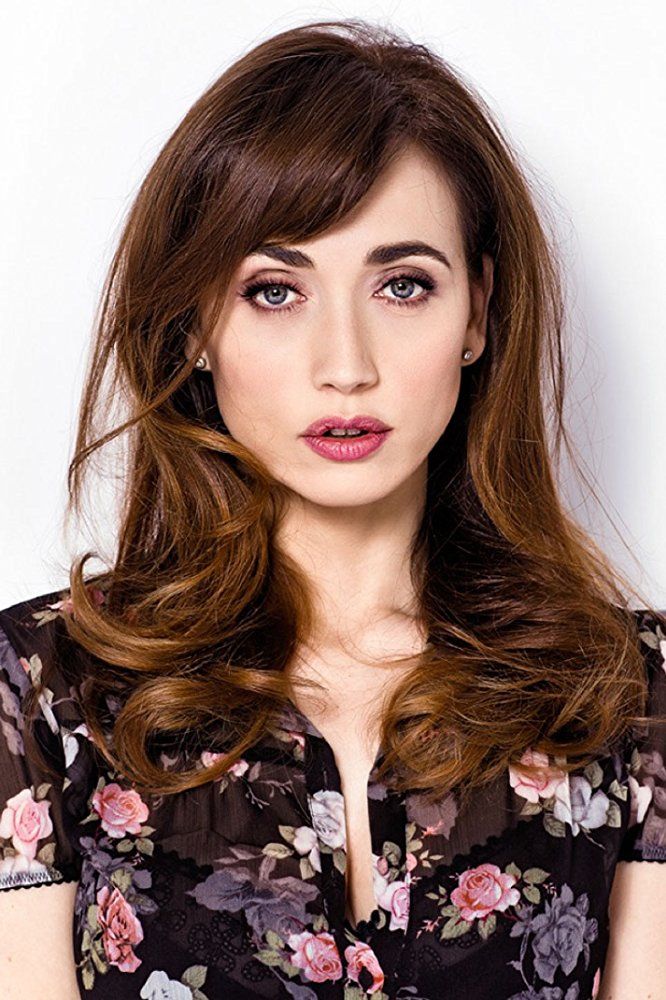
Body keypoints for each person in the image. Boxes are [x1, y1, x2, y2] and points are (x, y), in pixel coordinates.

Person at [1, 18, 664, 1000]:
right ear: (193, 326)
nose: (345, 365)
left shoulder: (625, 692)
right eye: (275, 290)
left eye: (402, 285)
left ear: (477, 312)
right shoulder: (45, 692)